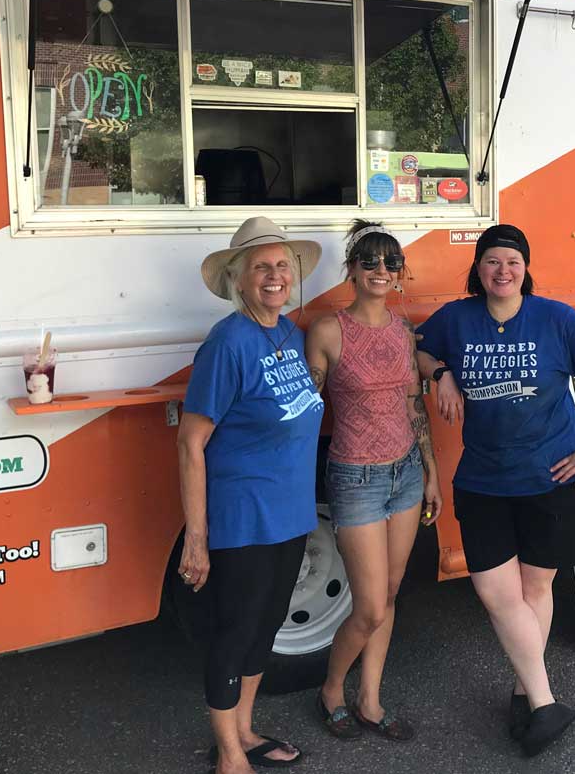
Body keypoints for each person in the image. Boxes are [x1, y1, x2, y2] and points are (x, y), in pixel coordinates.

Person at [415, 224, 575, 758]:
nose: (502, 271)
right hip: (484, 482)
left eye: (512, 261)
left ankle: (523, 691)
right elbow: (414, 346)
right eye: (492, 261)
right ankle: (545, 701)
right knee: (496, 593)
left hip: (552, 479)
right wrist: (441, 371)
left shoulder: (555, 319)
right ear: (479, 270)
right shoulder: (457, 319)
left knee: (536, 591)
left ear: (525, 269)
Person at [177, 217, 325, 774]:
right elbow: (191, 444)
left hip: (289, 514)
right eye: (261, 267)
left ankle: (243, 728)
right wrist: (198, 537)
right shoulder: (228, 341)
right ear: (238, 279)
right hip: (242, 516)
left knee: (266, 627)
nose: (274, 276)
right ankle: (229, 753)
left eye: (283, 266)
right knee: (235, 631)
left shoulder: (290, 332)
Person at [305, 220, 442, 742]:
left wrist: (429, 472)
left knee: (388, 593)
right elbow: (305, 411)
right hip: (355, 477)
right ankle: (331, 690)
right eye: (370, 261)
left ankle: (371, 699)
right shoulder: (326, 330)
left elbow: (413, 405)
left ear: (400, 273)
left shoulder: (404, 331)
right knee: (367, 607)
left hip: (405, 474)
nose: (381, 270)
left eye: (390, 262)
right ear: (352, 271)